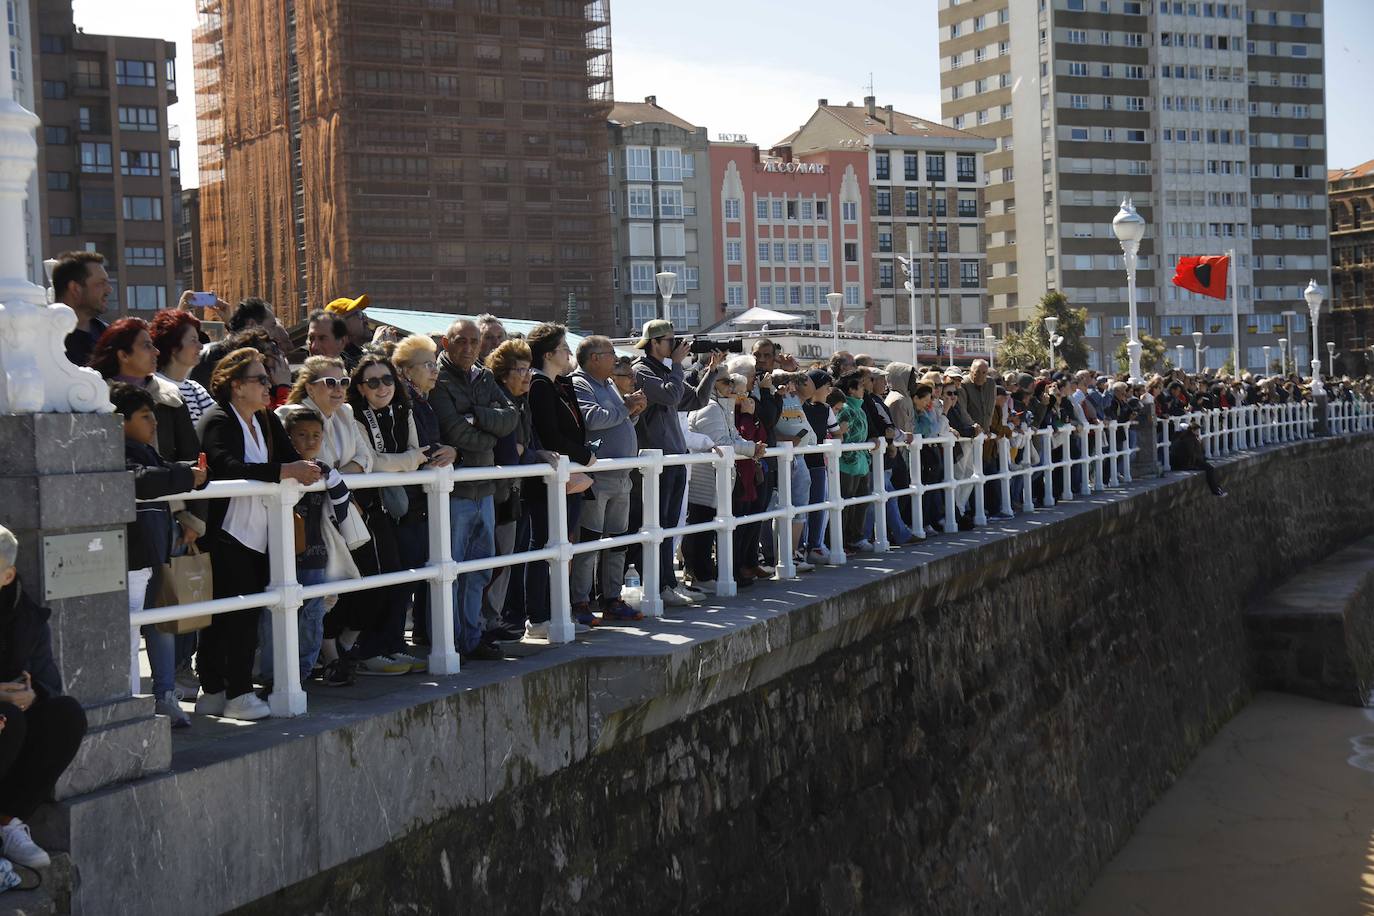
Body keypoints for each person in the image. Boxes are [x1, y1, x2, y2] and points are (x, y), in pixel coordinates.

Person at [196, 348, 323, 720]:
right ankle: (231, 692)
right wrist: (285, 469)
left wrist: (310, 469)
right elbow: (225, 466)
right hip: (226, 532)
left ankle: (220, 691)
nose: (269, 385)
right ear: (236, 386)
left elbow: (288, 459)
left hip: (260, 532)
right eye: (260, 379)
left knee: (240, 614)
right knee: (229, 616)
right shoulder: (218, 419)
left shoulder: (266, 419)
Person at [277, 356, 405, 676]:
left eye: (343, 382)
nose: (338, 390)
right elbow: (311, 464)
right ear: (309, 387)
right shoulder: (292, 415)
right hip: (308, 516)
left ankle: (342, 648)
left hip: (344, 511)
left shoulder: (346, 413)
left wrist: (336, 474)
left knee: (371, 582)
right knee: (325, 588)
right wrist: (337, 472)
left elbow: (366, 460)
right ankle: (322, 658)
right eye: (330, 383)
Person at [114, 383, 207, 729]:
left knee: (161, 625)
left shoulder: (144, 450)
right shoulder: (118, 450)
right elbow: (138, 481)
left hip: (154, 556)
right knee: (135, 624)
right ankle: (130, 699)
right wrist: (186, 476)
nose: (154, 423)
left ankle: (164, 695)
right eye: (145, 416)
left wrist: (191, 474)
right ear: (120, 422)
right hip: (134, 558)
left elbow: (162, 472)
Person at [0, 526, 88, 872]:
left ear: (7, 575)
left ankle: (7, 821)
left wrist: (31, 695)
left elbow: (51, 682)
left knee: (66, 716)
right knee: (8, 717)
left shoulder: (28, 618)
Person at [431, 319, 518, 661]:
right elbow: (453, 430)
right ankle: (450, 642)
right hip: (454, 492)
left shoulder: (483, 375)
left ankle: (471, 637)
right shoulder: (438, 380)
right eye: (460, 341)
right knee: (449, 571)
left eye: (474, 341)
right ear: (445, 341)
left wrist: (476, 418)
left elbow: (509, 417)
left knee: (479, 570)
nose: (468, 347)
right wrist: (486, 433)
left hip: (485, 488)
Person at [344, 354, 428, 670]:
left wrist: (405, 461)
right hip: (369, 507)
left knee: (408, 574)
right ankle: (370, 648)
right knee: (384, 575)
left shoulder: (404, 409)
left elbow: (417, 454)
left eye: (388, 379)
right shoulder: (355, 415)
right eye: (373, 382)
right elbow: (373, 462)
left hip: (403, 506)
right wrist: (406, 461)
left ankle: (394, 643)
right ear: (361, 389)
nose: (383, 387)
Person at [632, 319, 721, 607]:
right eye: (670, 341)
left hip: (673, 456)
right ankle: (658, 585)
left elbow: (695, 401)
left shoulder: (666, 370)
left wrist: (711, 370)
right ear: (653, 342)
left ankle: (668, 583)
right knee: (657, 526)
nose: (675, 346)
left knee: (669, 525)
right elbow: (670, 394)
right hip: (655, 460)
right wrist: (677, 364)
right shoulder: (641, 370)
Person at [524, 324, 596, 630]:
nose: (569, 352)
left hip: (567, 477)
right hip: (549, 481)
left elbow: (574, 426)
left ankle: (558, 613)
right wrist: (585, 455)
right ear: (549, 354)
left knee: (561, 547)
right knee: (545, 545)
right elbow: (551, 435)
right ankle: (539, 617)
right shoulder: (539, 385)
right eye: (564, 348)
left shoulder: (558, 384)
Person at [280, 408, 357, 687]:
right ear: (288, 438)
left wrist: (325, 475)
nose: (310, 441)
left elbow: (341, 499)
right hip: (284, 554)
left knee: (313, 612)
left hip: (316, 553)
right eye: (301, 435)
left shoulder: (326, 470)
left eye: (316, 435)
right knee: (279, 612)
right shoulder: (282, 467)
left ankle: (304, 668)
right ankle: (277, 670)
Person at [571, 336, 645, 623]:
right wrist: (626, 408)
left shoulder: (609, 385)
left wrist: (632, 413)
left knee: (618, 542)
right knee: (589, 541)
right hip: (598, 477)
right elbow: (592, 420)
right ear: (593, 358)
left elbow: (618, 420)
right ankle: (580, 602)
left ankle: (612, 598)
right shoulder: (580, 384)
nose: (615, 358)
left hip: (621, 476)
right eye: (610, 353)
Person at [389, 334, 456, 648]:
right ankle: (396, 642)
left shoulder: (425, 401)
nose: (434, 370)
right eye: (427, 364)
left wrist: (451, 452)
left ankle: (425, 633)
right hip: (410, 501)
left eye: (434, 363)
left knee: (430, 569)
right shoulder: (402, 403)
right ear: (405, 370)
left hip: (426, 499)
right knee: (404, 575)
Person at [483, 340, 542, 640]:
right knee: (497, 559)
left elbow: (524, 447)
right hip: (498, 493)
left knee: (508, 558)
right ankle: (487, 622)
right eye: (520, 369)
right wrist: (532, 455)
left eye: (529, 368)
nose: (527, 374)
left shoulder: (522, 401)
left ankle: (494, 619)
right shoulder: (500, 402)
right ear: (504, 375)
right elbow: (509, 452)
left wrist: (533, 454)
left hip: (515, 492)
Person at [683, 373, 761, 590]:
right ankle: (701, 575)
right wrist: (751, 449)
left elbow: (732, 437)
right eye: (725, 381)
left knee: (705, 526)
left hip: (712, 477)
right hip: (705, 478)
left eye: (731, 381)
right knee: (701, 527)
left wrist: (751, 447)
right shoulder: (710, 407)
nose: (731, 385)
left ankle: (702, 574)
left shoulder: (720, 407)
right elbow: (723, 443)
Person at [90, 318, 200, 463]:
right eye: (147, 346)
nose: (156, 352)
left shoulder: (170, 395)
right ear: (123, 355)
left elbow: (190, 454)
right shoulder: (96, 396)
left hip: (169, 483)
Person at [149, 310, 217, 423]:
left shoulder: (196, 389)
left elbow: (215, 425)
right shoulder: (154, 387)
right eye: (193, 340)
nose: (200, 346)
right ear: (173, 347)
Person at [53, 250, 112, 367]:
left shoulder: (108, 336)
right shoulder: (43, 336)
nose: (109, 290)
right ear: (75, 288)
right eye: (101, 283)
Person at [801, 370, 836, 563]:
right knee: (799, 506)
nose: (829, 391)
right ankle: (798, 548)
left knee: (817, 505)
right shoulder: (800, 406)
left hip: (816, 463)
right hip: (799, 461)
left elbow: (837, 433)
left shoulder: (826, 409)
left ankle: (814, 545)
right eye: (826, 387)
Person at [835, 371, 871, 551]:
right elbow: (843, 436)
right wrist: (852, 458)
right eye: (861, 386)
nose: (864, 389)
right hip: (848, 465)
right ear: (851, 390)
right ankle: (843, 541)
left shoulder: (859, 409)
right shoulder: (845, 410)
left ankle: (855, 538)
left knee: (861, 503)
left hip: (861, 463)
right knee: (846, 505)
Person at [325, 294, 370, 369]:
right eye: (359, 314)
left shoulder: (357, 353)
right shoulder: (336, 361)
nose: (366, 319)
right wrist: (376, 351)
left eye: (363, 314)